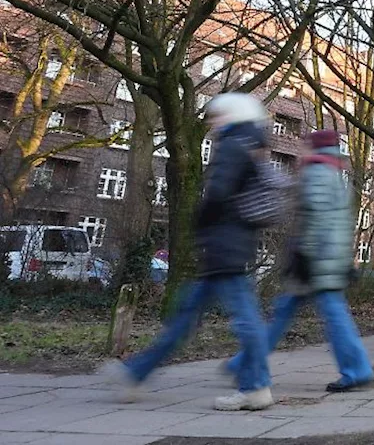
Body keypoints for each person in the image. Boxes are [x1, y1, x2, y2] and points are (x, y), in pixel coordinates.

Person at [105, 92, 274, 411]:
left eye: (218, 116)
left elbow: (219, 193)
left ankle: (255, 386)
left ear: (234, 115)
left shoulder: (235, 144)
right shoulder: (253, 146)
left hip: (225, 246)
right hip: (232, 245)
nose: (213, 123)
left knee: (245, 321)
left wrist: (199, 224)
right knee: (186, 318)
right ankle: (136, 373)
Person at [224, 129, 374, 392]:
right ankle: (244, 363)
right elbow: (338, 223)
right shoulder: (336, 178)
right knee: (313, 313)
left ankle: (356, 369)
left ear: (315, 150)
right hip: (329, 259)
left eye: (306, 146)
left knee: (291, 315)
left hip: (314, 261)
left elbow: (315, 218)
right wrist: (345, 260)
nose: (302, 150)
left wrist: (304, 254)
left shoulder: (316, 175)